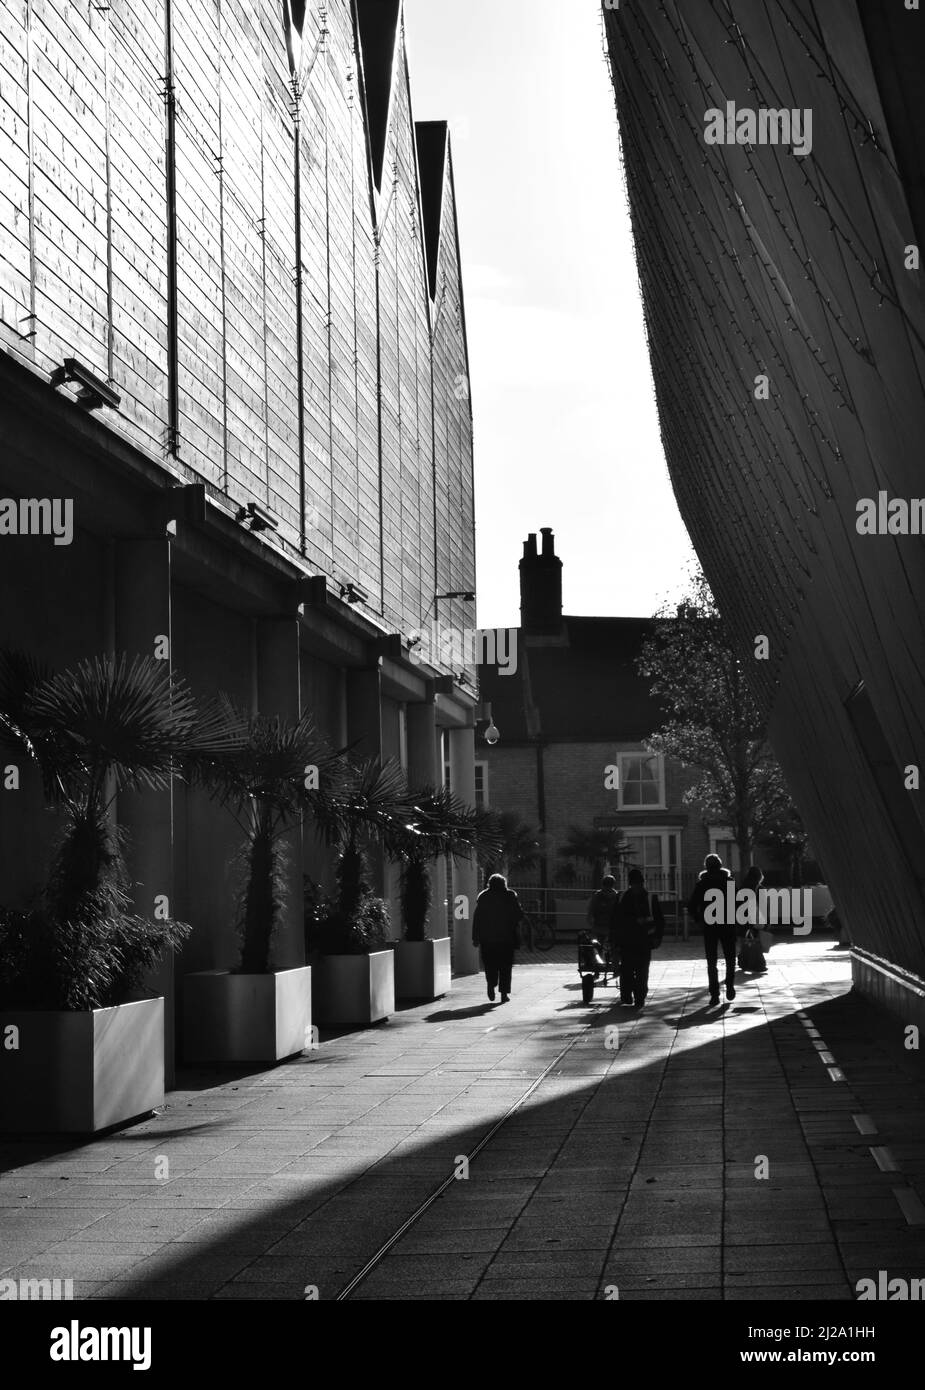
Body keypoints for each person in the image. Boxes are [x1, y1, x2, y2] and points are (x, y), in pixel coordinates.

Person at [687, 852, 736, 1005]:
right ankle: (729, 985)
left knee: (712, 961)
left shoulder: (702, 884)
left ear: (706, 867)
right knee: (730, 958)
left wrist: (698, 920)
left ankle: (714, 993)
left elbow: (691, 906)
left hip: (710, 925)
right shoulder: (729, 881)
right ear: (720, 865)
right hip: (727, 923)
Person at [613, 868, 664, 1009]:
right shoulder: (648, 897)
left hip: (632, 939)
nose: (636, 887)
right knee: (640, 970)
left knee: (629, 969)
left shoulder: (622, 897)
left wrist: (615, 939)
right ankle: (637, 996)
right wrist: (657, 936)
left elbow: (616, 920)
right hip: (641, 939)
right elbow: (659, 920)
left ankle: (629, 995)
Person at [472, 872, 524, 1004]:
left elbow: (477, 919)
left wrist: (475, 937)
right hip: (506, 938)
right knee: (506, 966)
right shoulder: (510, 895)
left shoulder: (483, 897)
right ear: (504, 883)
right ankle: (504, 993)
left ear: (489, 884)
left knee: (490, 964)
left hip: (487, 939)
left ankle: (491, 983)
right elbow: (518, 915)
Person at [738, 864, 768, 973]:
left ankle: (744, 961)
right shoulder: (760, 888)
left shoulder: (741, 888)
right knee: (756, 942)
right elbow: (764, 906)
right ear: (759, 876)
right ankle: (758, 964)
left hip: (743, 918)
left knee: (745, 941)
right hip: (756, 918)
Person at [587, 874, 620, 959]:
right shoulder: (616, 895)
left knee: (597, 946)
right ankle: (613, 963)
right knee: (613, 946)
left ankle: (597, 963)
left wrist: (590, 920)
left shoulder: (597, 895)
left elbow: (591, 909)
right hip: (612, 927)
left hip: (599, 925)